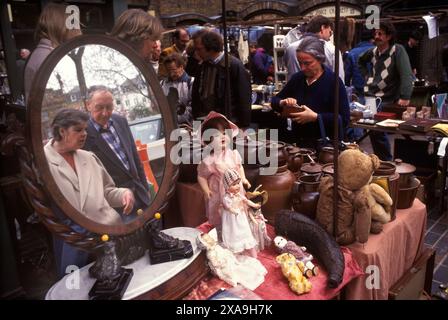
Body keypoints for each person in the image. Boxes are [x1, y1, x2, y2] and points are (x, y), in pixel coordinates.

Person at [44, 109, 134, 276]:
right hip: (75, 244)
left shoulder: (88, 157)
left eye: (85, 129)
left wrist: (124, 194)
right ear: (62, 131)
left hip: (111, 235)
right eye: (78, 130)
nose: (84, 134)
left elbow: (107, 191)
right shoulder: (43, 163)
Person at [83, 86, 153, 222]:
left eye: (109, 107)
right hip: (115, 206)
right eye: (99, 107)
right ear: (88, 105)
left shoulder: (120, 121)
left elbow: (134, 157)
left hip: (141, 195)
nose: (105, 113)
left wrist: (145, 188)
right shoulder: (83, 133)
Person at [271, 36, 350, 149]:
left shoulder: (333, 82)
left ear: (320, 59)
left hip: (324, 148)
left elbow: (344, 119)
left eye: (307, 63)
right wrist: (283, 102)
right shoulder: (297, 79)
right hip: (299, 145)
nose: (302, 68)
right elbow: (274, 101)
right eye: (300, 63)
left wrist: (316, 117)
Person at [358, 21, 413, 161]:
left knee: (380, 131)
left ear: (389, 36)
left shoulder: (397, 50)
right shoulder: (373, 51)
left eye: (380, 34)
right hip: (371, 97)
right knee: (372, 130)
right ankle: (380, 161)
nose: (376, 36)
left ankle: (386, 162)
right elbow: (360, 61)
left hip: (387, 97)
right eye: (375, 33)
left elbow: (406, 73)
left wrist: (405, 95)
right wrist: (367, 76)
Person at [197, 111, 250, 234]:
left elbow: (239, 166)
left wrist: (243, 178)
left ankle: (239, 229)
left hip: (236, 189)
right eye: (216, 135)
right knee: (221, 212)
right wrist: (206, 190)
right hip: (219, 192)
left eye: (225, 133)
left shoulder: (233, 154)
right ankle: (223, 231)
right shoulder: (209, 160)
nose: (222, 137)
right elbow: (201, 176)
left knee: (238, 209)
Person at [191, 30, 252, 128]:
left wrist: (243, 125)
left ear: (210, 48)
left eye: (199, 49)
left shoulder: (233, 65)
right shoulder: (202, 66)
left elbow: (244, 97)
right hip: (206, 123)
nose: (196, 53)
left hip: (228, 123)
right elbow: (196, 96)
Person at [24, 2, 82, 102]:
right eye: (75, 26)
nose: (79, 31)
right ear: (64, 28)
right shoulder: (52, 58)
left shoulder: (41, 53)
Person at [284, 15, 344, 81]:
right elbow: (339, 79)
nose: (330, 36)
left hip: (295, 90)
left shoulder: (290, 48)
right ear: (322, 28)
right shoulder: (332, 50)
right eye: (330, 32)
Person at [221, 168, 259, 258]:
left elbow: (246, 201)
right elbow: (228, 208)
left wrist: (254, 205)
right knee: (234, 233)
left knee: (244, 231)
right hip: (231, 219)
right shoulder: (226, 198)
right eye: (234, 184)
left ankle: (249, 250)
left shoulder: (238, 195)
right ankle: (235, 251)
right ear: (227, 186)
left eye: (238, 183)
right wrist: (234, 211)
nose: (237, 186)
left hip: (241, 217)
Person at [160, 52, 194, 126]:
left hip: (189, 125)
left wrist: (178, 117)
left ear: (181, 67)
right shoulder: (163, 84)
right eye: (168, 71)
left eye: (173, 70)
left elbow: (193, 107)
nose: (171, 74)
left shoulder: (191, 82)